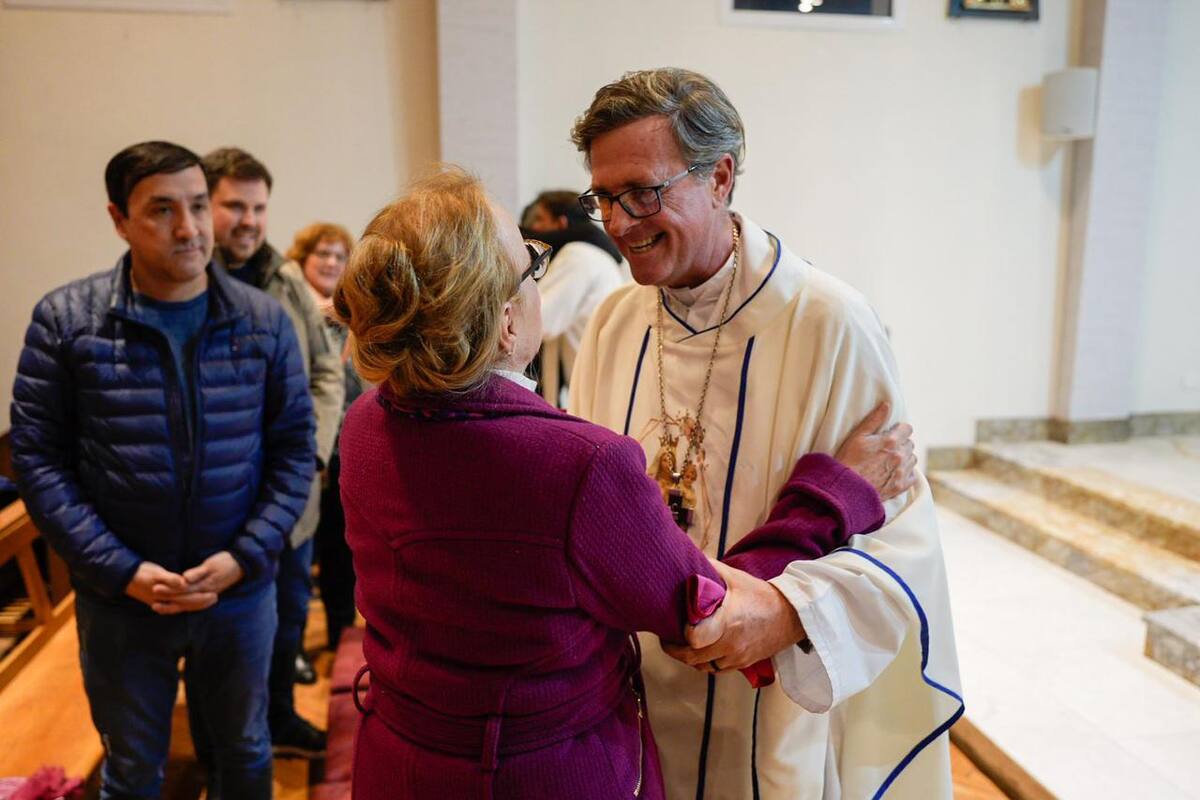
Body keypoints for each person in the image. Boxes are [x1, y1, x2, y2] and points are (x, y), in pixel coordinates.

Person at [331, 167, 911, 798]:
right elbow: (703, 614)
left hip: (399, 757)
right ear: (505, 323)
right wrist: (834, 492)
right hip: (531, 775)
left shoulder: (364, 424)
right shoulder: (578, 464)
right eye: (529, 262)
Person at [568, 68, 963, 799]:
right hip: (631, 699)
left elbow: (903, 534)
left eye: (643, 192)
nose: (620, 222)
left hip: (769, 706)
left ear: (720, 177)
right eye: (603, 199)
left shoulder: (829, 322)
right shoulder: (615, 323)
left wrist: (787, 611)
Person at [9, 141, 315, 799]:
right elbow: (39, 460)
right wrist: (121, 570)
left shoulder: (262, 321)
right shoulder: (67, 322)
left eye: (199, 206)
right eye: (163, 210)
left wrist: (245, 556)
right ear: (119, 219)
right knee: (131, 768)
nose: (190, 228)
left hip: (236, 591)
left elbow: (293, 452)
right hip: (122, 599)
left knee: (244, 751)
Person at [202, 147, 344, 757]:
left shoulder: (286, 281)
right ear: (201, 205)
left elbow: (324, 373)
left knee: (288, 615)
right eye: (235, 205)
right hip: (217, 497)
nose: (249, 220)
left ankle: (280, 717)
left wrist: (311, 456)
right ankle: (223, 744)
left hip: (290, 494)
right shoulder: (186, 278)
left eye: (259, 207)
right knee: (219, 636)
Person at [288, 221, 365, 649]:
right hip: (302, 448)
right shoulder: (288, 312)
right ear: (302, 260)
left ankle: (340, 637)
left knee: (339, 551)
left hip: (342, 450)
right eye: (323, 255)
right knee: (298, 554)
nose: (333, 263)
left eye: (340, 256)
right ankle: (292, 647)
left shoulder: (351, 316)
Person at [522, 190, 627, 407]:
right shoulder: (599, 255)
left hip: (591, 390)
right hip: (599, 385)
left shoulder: (578, 254)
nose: (536, 229)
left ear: (561, 223)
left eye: (540, 219)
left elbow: (538, 320)